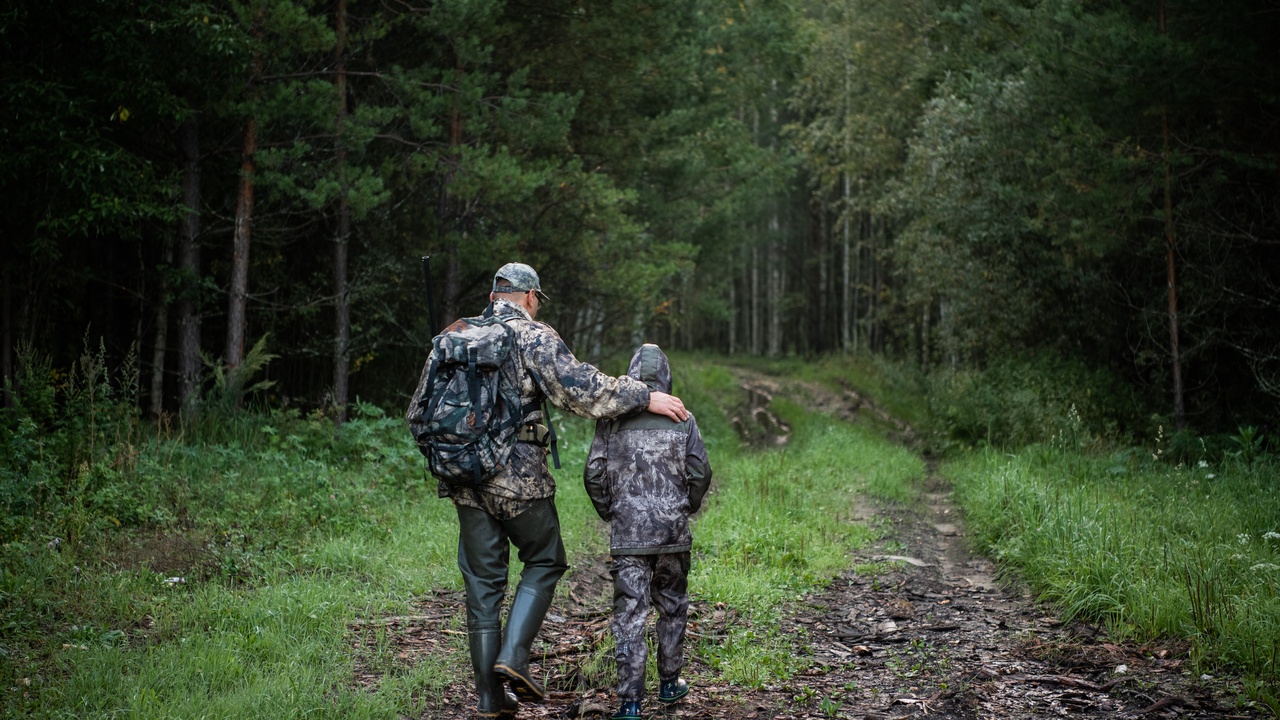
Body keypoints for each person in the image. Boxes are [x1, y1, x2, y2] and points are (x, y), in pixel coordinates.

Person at [412, 262, 690, 720]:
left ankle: (490, 698)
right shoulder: (534, 336)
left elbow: (416, 415)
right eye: (538, 299)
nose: (538, 306)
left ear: (493, 294)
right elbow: (582, 389)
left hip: (463, 481)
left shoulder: (454, 335)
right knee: (545, 559)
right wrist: (644, 395)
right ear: (528, 296)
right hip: (518, 479)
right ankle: (514, 658)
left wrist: (455, 456)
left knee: (483, 585)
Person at [583, 344, 712, 720]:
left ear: (632, 375)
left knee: (630, 615)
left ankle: (630, 704)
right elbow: (700, 471)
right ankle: (670, 684)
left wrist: (611, 510)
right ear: (667, 377)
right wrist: (686, 506)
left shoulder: (610, 420)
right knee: (672, 606)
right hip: (672, 533)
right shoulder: (682, 417)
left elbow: (593, 473)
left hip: (628, 536)